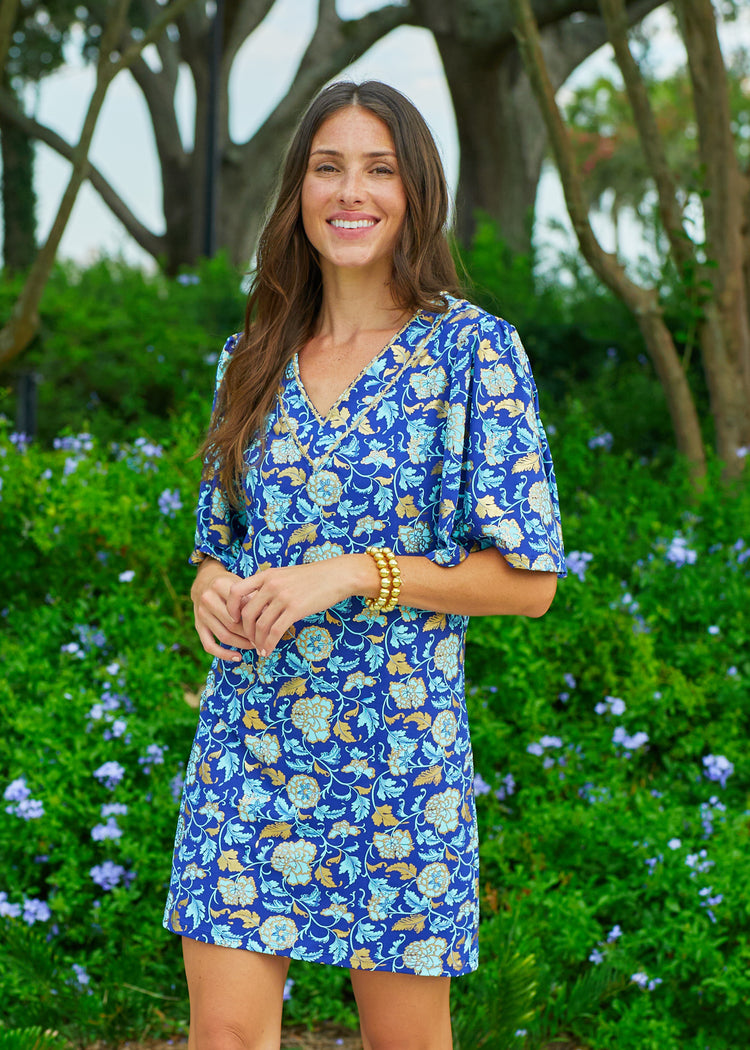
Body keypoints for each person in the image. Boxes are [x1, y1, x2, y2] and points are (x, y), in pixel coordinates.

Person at [163, 80, 565, 1050]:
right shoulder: (249, 356)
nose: (353, 192)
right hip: (247, 748)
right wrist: (212, 593)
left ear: (415, 192)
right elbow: (215, 555)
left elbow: (530, 581)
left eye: (380, 169)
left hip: (400, 760)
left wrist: (350, 573)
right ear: (298, 192)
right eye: (328, 167)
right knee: (221, 1037)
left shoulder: (475, 353)